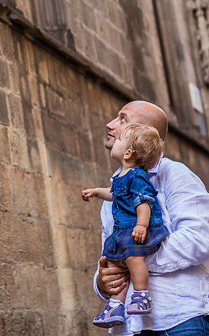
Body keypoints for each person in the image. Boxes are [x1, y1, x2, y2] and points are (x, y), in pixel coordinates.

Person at [93, 101, 209, 335]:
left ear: (143, 133)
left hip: (180, 321)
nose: (109, 125)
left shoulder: (176, 175)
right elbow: (109, 255)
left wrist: (132, 260)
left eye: (122, 119)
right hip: (131, 328)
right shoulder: (114, 190)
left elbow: (196, 241)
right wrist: (102, 282)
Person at [83, 123, 170, 328]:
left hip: (136, 228)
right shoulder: (121, 176)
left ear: (129, 152)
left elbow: (144, 202)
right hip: (122, 231)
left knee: (133, 258)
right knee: (114, 261)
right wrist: (96, 192)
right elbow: (113, 194)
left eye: (120, 140)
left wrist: (141, 225)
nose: (116, 141)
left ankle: (141, 295)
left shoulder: (137, 175)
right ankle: (116, 304)